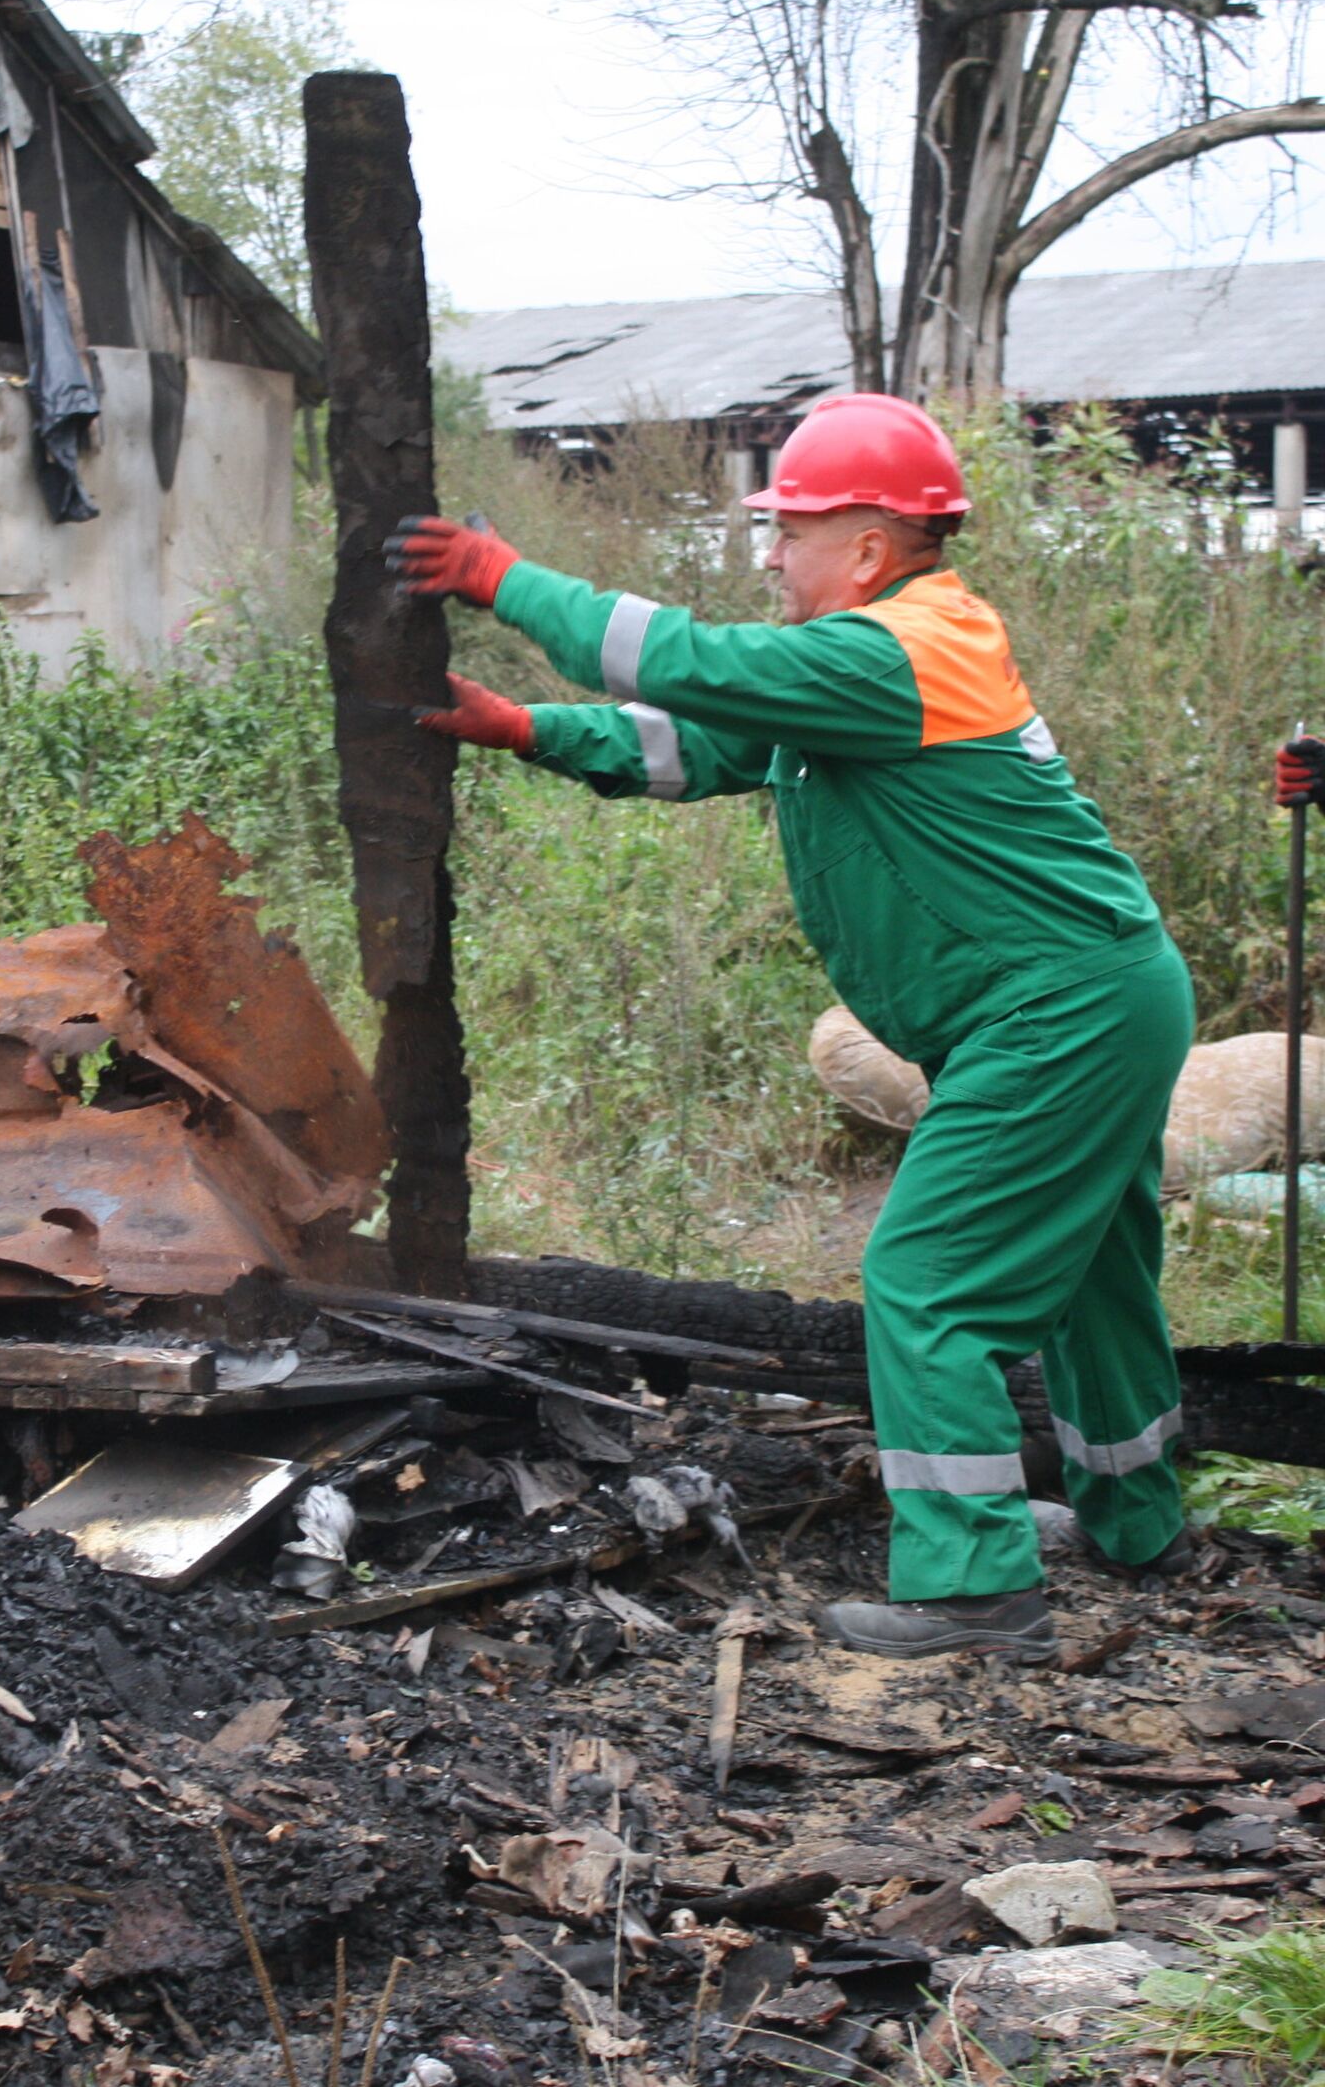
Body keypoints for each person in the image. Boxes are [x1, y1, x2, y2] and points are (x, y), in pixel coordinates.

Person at [385, 393, 1194, 1662]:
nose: (770, 554)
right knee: (1093, 1276)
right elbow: (702, 743)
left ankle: (977, 1588)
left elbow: (682, 663)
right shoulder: (871, 665)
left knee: (925, 1281)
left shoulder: (899, 649)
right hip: (1087, 995)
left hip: (1060, 1010)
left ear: (869, 544)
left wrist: (502, 576)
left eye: (789, 530)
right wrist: (529, 730)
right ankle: (1135, 1516)